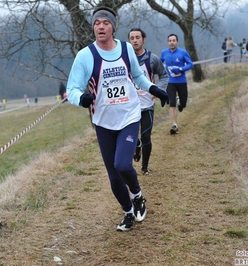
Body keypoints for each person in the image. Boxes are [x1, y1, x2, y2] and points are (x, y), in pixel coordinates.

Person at [66, 6, 169, 232]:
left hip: (129, 115)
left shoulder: (125, 49)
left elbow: (138, 76)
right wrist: (81, 98)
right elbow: (71, 88)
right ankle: (128, 212)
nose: (100, 26)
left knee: (123, 164)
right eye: (96, 23)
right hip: (103, 121)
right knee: (113, 177)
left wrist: (155, 89)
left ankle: (138, 195)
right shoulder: (86, 56)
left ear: (113, 26)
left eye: (105, 22)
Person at [128, 28, 168, 176]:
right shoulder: (125, 59)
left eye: (137, 37)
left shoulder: (152, 58)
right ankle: (132, 156)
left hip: (147, 104)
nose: (135, 40)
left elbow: (164, 76)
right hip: (129, 106)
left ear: (143, 39)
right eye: (132, 38)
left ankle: (144, 167)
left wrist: (158, 91)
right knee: (130, 138)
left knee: (145, 136)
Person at [160, 34, 194, 134]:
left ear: (177, 42)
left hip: (181, 81)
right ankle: (174, 125)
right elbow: (159, 62)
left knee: (183, 104)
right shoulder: (164, 52)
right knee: (172, 102)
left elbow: (190, 64)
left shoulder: (183, 52)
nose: (172, 42)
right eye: (170, 40)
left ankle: (181, 102)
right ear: (168, 42)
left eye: (174, 40)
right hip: (170, 82)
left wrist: (180, 69)